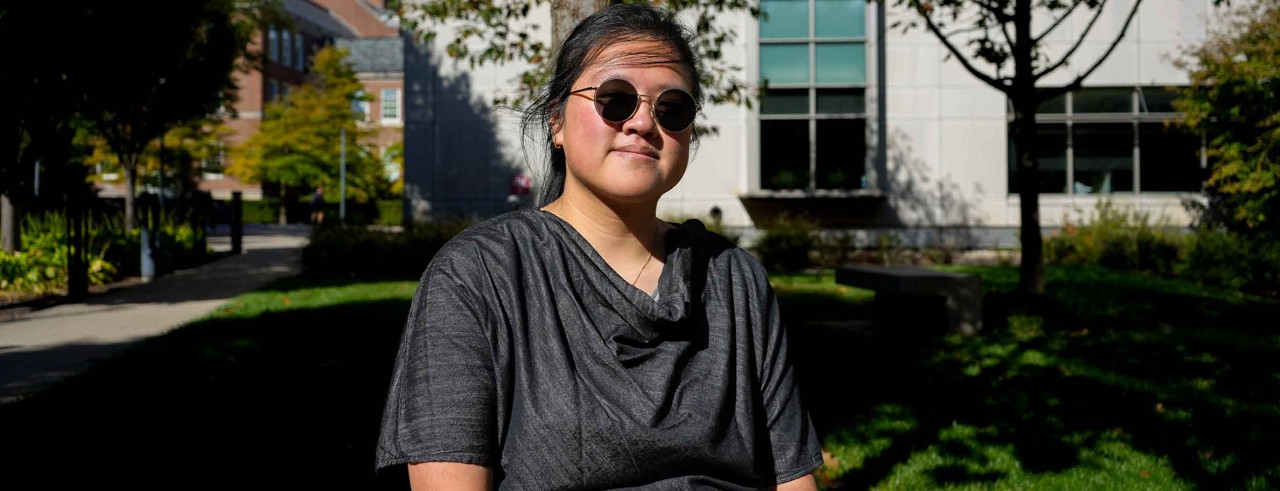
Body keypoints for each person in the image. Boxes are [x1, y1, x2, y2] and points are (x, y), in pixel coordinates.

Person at [376, 4, 823, 489]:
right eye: (615, 99)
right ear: (556, 122)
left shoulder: (735, 279)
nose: (643, 123)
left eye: (672, 108)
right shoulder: (479, 276)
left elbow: (793, 478)